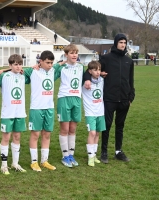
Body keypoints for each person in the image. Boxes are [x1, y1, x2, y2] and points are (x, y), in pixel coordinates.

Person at [84, 33, 135, 163]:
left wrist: (131, 96)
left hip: (124, 99)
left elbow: (131, 79)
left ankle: (118, 151)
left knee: (120, 126)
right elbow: (89, 70)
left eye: (125, 43)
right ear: (116, 43)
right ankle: (104, 152)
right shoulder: (106, 58)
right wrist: (88, 79)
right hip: (109, 99)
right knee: (106, 126)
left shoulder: (129, 61)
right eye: (121, 42)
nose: (123, 45)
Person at [23, 50, 61, 172]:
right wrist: (32, 66)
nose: (50, 65)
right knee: (35, 134)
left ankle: (44, 161)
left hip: (49, 107)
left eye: (51, 63)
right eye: (47, 62)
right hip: (36, 108)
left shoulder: (54, 70)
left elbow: (63, 63)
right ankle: (34, 162)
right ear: (41, 62)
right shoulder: (33, 71)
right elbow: (18, 69)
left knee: (47, 134)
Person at [0, 54, 29, 175]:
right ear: (10, 65)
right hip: (7, 113)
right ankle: (4, 165)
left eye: (20, 64)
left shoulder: (23, 76)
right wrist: (5, 70)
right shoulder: (4, 76)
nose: (18, 67)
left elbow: (33, 69)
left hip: (20, 112)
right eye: (15, 64)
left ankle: (15, 163)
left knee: (17, 137)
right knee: (6, 137)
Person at [57, 44, 84, 168]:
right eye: (71, 53)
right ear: (66, 55)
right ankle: (65, 156)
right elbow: (48, 71)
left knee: (73, 129)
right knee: (65, 129)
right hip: (64, 99)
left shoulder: (80, 67)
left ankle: (71, 155)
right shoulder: (61, 67)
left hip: (77, 99)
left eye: (76, 53)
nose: (74, 55)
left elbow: (89, 76)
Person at [82, 61, 105, 167]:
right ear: (90, 71)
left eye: (99, 69)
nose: (98, 72)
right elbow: (84, 73)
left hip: (100, 111)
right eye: (95, 70)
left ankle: (94, 155)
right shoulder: (85, 82)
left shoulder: (102, 80)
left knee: (97, 133)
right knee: (92, 133)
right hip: (90, 112)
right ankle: (90, 156)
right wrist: (87, 78)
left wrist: (101, 74)